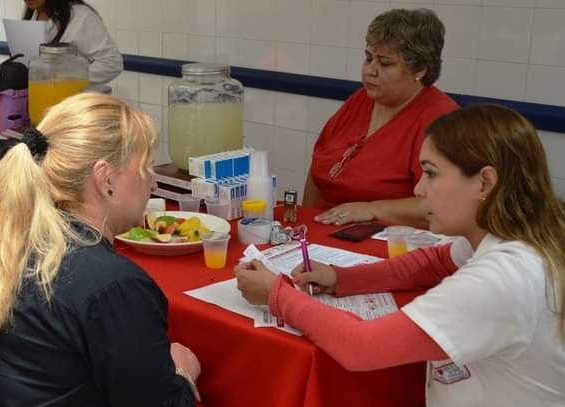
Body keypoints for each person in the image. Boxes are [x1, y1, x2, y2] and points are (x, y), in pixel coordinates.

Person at [235, 104, 565, 406]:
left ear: (484, 183)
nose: (419, 189)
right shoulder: (518, 234)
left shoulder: (503, 277)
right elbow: (433, 262)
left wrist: (277, 295)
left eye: (432, 173)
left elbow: (362, 346)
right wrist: (342, 278)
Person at [0, 93, 201, 406]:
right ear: (106, 179)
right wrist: (182, 375)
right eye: (144, 166)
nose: (153, 183)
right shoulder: (114, 285)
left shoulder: (12, 241)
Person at [303, 8, 457, 227]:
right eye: (368, 58)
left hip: (387, 240)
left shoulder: (440, 118)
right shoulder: (360, 100)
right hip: (324, 230)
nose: (369, 70)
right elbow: (317, 168)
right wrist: (305, 221)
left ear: (420, 70)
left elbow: (443, 204)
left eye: (385, 63)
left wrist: (371, 209)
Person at [12, 0, 123, 84]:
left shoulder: (81, 16)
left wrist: (68, 77)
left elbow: (112, 62)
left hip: (72, 100)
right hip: (40, 97)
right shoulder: (33, 16)